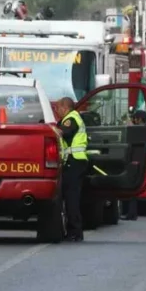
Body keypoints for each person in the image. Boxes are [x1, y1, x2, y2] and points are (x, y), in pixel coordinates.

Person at [55, 97, 90, 242]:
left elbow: (63, 133)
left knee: (71, 198)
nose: (57, 111)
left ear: (65, 107)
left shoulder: (71, 119)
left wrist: (50, 129)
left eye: (58, 108)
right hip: (76, 161)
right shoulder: (74, 117)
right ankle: (74, 230)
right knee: (70, 197)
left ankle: (75, 232)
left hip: (74, 161)